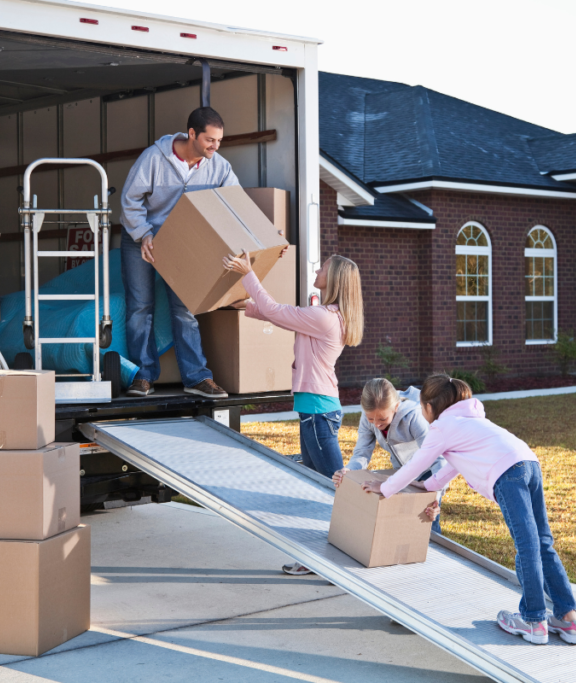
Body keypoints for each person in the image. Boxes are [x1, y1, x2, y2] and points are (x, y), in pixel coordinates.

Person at [361, 374, 576, 646]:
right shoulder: (471, 421)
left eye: (421, 406)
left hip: (508, 473)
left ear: (430, 407)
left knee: (527, 545)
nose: (421, 411)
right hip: (529, 462)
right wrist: (428, 486)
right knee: (542, 542)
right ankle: (568, 618)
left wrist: (384, 488)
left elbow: (415, 464)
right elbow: (453, 466)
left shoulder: (442, 428)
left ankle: (534, 620)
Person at [222, 250, 364, 577]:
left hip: (317, 412)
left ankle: (345, 563)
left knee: (334, 490)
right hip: (314, 410)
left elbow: (276, 310)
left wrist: (248, 273)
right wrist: (241, 306)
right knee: (316, 488)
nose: (318, 269)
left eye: (324, 267)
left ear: (336, 279)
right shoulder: (325, 315)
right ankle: (316, 559)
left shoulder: (325, 317)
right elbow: (275, 315)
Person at [119, 106, 236, 398]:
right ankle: (142, 376)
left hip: (182, 243)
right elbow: (129, 200)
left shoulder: (218, 166)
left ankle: (196, 377)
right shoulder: (154, 158)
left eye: (219, 141)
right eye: (210, 140)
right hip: (141, 237)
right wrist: (143, 234)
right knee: (140, 308)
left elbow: (235, 206)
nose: (215, 147)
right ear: (192, 134)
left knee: (185, 310)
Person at [334, 378, 446, 532]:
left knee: (427, 525)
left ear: (396, 407)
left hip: (429, 473)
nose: (376, 424)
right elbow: (362, 452)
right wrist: (349, 470)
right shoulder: (369, 419)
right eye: (371, 418)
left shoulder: (413, 417)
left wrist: (436, 497)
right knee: (403, 524)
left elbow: (438, 459)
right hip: (402, 472)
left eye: (382, 419)